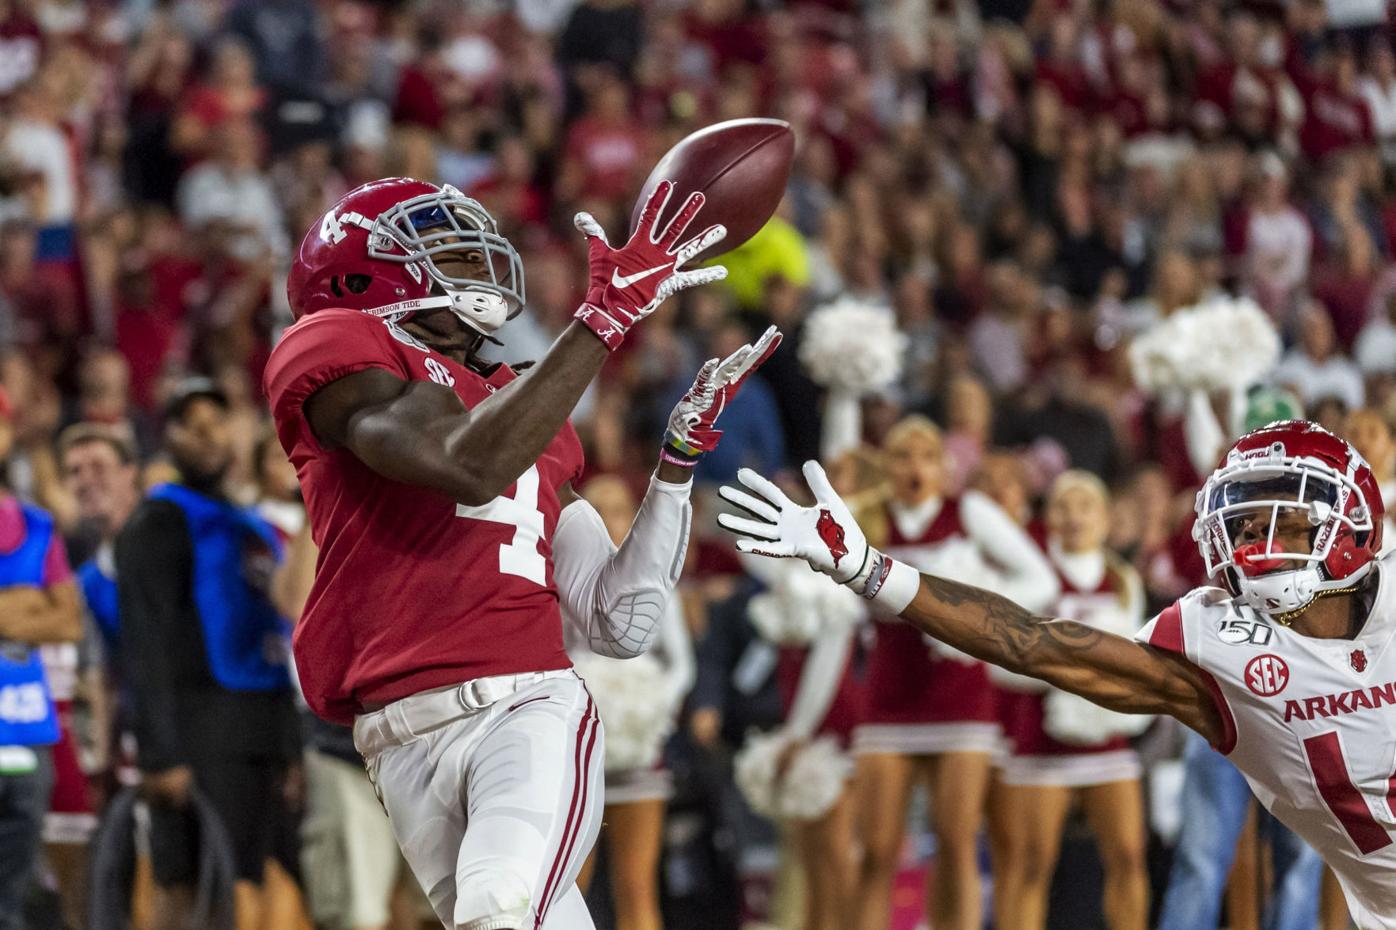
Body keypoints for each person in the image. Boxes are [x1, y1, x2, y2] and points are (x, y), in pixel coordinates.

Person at [262, 177, 775, 930]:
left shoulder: (526, 407)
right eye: (444, 247)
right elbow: (466, 463)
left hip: (526, 705)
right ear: (358, 272)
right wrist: (602, 323)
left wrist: (674, 463)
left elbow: (617, 621)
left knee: (497, 909)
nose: (475, 259)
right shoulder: (341, 345)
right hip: (397, 732)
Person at [719, 419, 1396, 929]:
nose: (1255, 542)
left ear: (1354, 525)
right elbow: (1038, 645)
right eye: (1244, 523)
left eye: (1283, 520)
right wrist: (873, 571)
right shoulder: (1220, 643)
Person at [847, 416, 1058, 930]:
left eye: (926, 456)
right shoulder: (867, 520)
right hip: (889, 697)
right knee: (876, 850)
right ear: (887, 466)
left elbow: (1040, 581)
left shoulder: (969, 512)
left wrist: (976, 618)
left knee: (956, 842)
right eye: (902, 455)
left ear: (944, 468)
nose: (914, 467)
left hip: (961, 695)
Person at [116, 378, 302, 930]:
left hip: (259, 726)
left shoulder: (249, 523)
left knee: (247, 882)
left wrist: (288, 740)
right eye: (189, 425)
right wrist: (159, 752)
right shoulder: (158, 520)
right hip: (198, 730)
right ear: (166, 437)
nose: (207, 436)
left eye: (216, 422)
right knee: (190, 887)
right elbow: (143, 642)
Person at [993, 471, 1150, 930]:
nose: (1075, 517)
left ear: (1105, 519)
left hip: (1108, 746)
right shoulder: (1032, 575)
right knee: (1030, 863)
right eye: (1064, 506)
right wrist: (1067, 670)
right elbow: (999, 666)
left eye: (1086, 506)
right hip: (1040, 743)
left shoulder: (1123, 579)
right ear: (1049, 518)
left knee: (1127, 855)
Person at [571, 475, 695, 930]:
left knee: (637, 887)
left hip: (639, 752)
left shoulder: (658, 583)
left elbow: (682, 667)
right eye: (596, 513)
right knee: (569, 888)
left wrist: (648, 710)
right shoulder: (562, 582)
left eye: (618, 511)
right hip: (579, 753)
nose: (608, 522)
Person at [0, 387, 83, 930]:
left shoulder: (36, 524)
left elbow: (69, 621)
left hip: (25, 724)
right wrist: (26, 603)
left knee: (16, 892)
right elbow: (45, 612)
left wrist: (16, 614)